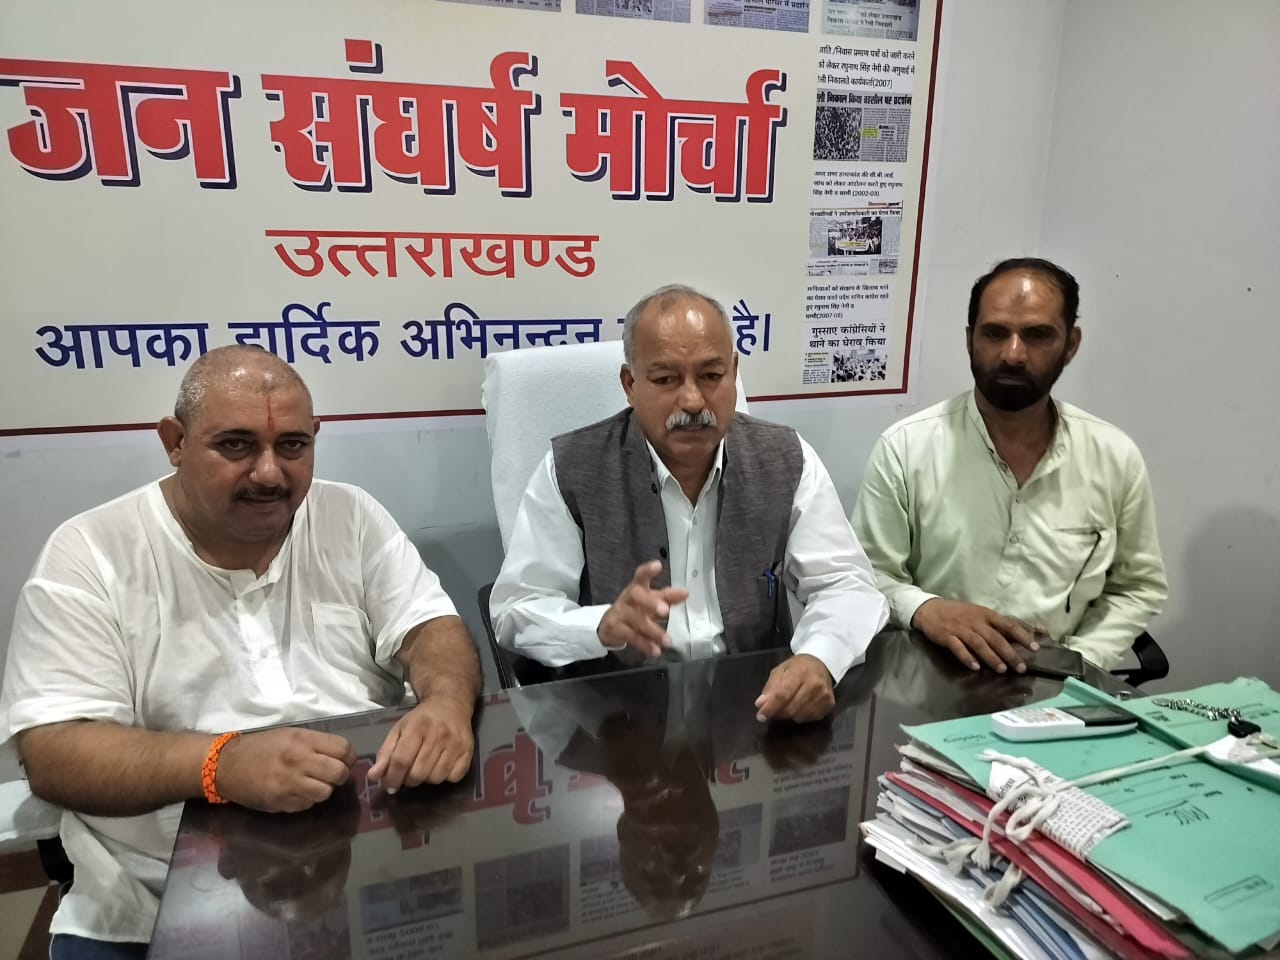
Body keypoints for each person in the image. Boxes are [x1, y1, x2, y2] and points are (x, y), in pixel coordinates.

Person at [0, 346, 481, 959]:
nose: (269, 474)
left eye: (292, 446)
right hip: (157, 899)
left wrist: (445, 703)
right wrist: (219, 764)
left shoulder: (350, 515)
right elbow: (53, 750)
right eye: (236, 445)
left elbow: (431, 627)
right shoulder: (89, 553)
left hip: (360, 873)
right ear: (175, 442)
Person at [490, 283, 888, 722]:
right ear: (630, 384)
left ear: (733, 372)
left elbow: (847, 584)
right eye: (666, 379)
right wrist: (599, 626)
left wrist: (819, 658)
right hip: (619, 723)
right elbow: (516, 610)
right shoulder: (571, 467)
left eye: (711, 376)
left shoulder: (786, 459)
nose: (693, 400)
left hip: (755, 717)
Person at [851, 258, 1167, 674]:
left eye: (1037, 335)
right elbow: (865, 574)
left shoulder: (1113, 456)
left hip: (1060, 682)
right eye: (995, 333)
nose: (1013, 354)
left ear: (1071, 344)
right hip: (927, 676)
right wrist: (926, 608)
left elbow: (1136, 587)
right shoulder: (906, 448)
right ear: (970, 340)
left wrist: (1082, 660)